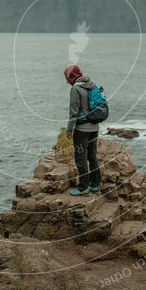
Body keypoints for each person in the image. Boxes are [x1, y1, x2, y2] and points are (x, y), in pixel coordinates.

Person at [64, 64, 101, 196]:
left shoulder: (76, 89)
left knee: (80, 158)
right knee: (92, 156)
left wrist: (69, 130)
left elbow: (73, 112)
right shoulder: (91, 85)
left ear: (71, 77)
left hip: (82, 130)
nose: (67, 81)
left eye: (67, 78)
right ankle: (95, 185)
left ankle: (83, 187)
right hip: (95, 127)